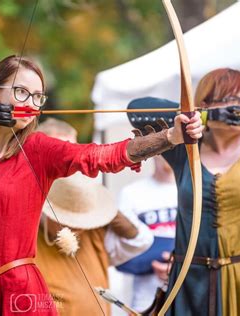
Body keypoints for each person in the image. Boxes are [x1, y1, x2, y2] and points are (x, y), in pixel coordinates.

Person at [0, 55, 202, 315]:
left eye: (37, 97)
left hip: (20, 299)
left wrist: (170, 137)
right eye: (21, 92)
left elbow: (100, 156)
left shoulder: (39, 149)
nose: (32, 103)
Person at [161, 68, 240, 316]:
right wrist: (199, 117)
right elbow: (138, 108)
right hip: (192, 287)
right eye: (233, 99)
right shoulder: (185, 149)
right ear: (204, 105)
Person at [34, 118, 154, 316]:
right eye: (56, 150)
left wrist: (103, 206)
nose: (66, 160)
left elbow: (141, 240)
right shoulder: (23, 212)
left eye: (70, 149)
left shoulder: (92, 215)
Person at [113, 155, 177, 312]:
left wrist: (178, 265)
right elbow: (119, 252)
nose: (170, 152)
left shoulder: (197, 192)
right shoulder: (131, 194)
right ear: (154, 152)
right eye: (165, 147)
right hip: (146, 301)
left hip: (190, 298)